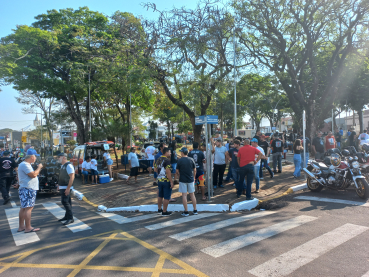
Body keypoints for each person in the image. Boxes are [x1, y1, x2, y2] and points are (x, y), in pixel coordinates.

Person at [16, 149, 42, 233]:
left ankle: (21, 226)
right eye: (35, 157)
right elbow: (33, 175)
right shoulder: (25, 164)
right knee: (28, 208)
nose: (35, 159)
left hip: (25, 188)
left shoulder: (25, 164)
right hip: (28, 189)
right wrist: (39, 168)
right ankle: (28, 227)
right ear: (32, 157)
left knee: (24, 207)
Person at [176, 147, 198, 216]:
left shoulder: (180, 160)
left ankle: (186, 211)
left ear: (182, 152)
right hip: (190, 179)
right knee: (192, 195)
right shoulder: (191, 159)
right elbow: (194, 170)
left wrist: (179, 176)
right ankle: (195, 210)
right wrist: (194, 177)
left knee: (184, 195)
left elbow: (177, 171)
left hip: (182, 179)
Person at [57, 153, 75, 225]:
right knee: (68, 202)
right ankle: (67, 216)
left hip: (66, 187)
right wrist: (59, 185)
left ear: (64, 157)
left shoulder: (69, 165)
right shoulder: (63, 166)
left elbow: (72, 177)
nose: (58, 158)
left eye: (59, 157)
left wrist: (68, 188)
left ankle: (70, 218)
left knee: (65, 202)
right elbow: (62, 177)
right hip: (63, 186)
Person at [155, 147, 173, 216]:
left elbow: (155, 169)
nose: (170, 153)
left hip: (159, 180)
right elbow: (168, 172)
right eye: (169, 152)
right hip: (166, 181)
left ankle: (159, 209)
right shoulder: (167, 161)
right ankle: (164, 211)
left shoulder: (158, 159)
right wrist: (171, 181)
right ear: (166, 152)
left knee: (160, 196)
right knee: (166, 197)